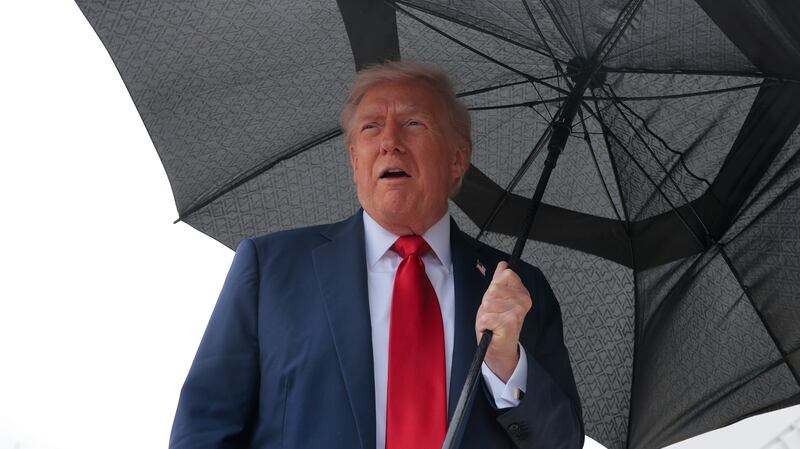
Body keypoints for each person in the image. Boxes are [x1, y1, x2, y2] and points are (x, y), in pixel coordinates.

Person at [169, 61, 584, 449]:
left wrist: (505, 363)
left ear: (457, 159)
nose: (390, 142)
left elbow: (560, 442)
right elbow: (204, 427)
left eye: (413, 123)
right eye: (371, 128)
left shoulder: (517, 290)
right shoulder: (271, 267)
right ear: (354, 160)